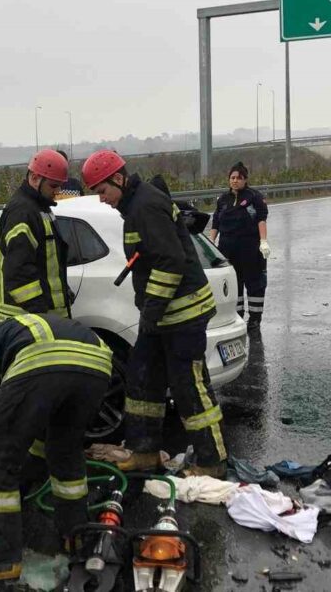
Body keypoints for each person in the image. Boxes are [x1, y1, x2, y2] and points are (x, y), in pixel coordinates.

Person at [0, 314, 113, 585]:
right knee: (65, 450)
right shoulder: (22, 330)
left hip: (43, 360)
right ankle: (76, 533)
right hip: (98, 364)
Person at [81, 149, 227, 478]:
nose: (102, 199)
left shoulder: (145, 205)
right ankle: (144, 452)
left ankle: (211, 461)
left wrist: (152, 309)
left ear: (118, 179)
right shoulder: (135, 206)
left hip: (182, 315)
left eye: (102, 191)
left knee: (189, 387)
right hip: (161, 318)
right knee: (143, 379)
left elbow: (170, 261)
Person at [0, 149, 71, 323]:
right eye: (53, 185)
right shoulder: (22, 212)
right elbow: (18, 272)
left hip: (35, 318)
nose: (57, 191)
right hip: (25, 319)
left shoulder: (40, 207)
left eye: (59, 185)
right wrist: (41, 313)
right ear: (35, 178)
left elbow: (47, 262)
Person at [210, 162, 270, 330]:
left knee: (255, 283)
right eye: (232, 178)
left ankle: (255, 318)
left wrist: (263, 241)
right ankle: (237, 316)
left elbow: (261, 219)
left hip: (250, 249)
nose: (235, 181)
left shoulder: (253, 197)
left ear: (245, 180)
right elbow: (216, 223)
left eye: (239, 178)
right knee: (233, 283)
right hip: (228, 250)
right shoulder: (223, 200)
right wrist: (211, 242)